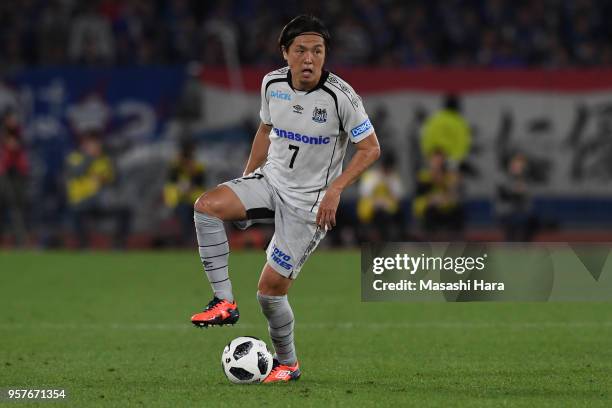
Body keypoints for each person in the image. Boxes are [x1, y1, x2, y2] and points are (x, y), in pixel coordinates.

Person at [189, 15, 380, 383]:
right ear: (285, 53)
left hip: (308, 206)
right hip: (270, 181)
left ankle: (287, 364)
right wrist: (246, 183)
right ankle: (224, 302)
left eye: (318, 51)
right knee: (207, 207)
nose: (309, 59)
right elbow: (264, 130)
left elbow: (370, 149)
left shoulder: (342, 97)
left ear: (326, 55)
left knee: (269, 293)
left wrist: (335, 190)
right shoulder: (272, 83)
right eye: (301, 51)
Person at [64, 131, 131, 249]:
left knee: (125, 210)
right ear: (84, 145)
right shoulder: (74, 158)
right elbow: (76, 173)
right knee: (76, 212)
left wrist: (105, 179)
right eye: (91, 144)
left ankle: (119, 245)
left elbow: (114, 181)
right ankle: (83, 247)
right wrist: (89, 156)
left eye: (97, 144)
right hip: (81, 200)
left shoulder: (105, 160)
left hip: (101, 201)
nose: (95, 147)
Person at [412, 150, 464, 240]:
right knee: (431, 212)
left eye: (440, 160)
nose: (438, 163)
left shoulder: (448, 176)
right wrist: (431, 198)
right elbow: (421, 193)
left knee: (458, 211)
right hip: (428, 208)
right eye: (435, 160)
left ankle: (456, 243)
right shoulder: (424, 176)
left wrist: (446, 192)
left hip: (445, 206)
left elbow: (453, 193)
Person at [163, 141, 206, 246]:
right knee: (185, 214)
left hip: (195, 202)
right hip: (179, 202)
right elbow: (172, 185)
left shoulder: (197, 168)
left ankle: (197, 241)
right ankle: (187, 241)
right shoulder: (175, 168)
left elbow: (200, 183)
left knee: (198, 216)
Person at [357, 153, 405, 242]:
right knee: (381, 215)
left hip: (388, 208)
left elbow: (398, 196)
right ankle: (378, 238)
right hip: (370, 208)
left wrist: (386, 201)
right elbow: (365, 193)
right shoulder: (371, 176)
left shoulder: (393, 178)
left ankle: (396, 239)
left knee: (396, 213)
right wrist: (377, 202)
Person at [0, 111, 29, 246]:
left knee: (16, 209)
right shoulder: (3, 133)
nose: (14, 120)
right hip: (3, 173)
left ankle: (21, 242)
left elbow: (21, 154)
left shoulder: (19, 133)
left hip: (16, 174)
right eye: (11, 118)